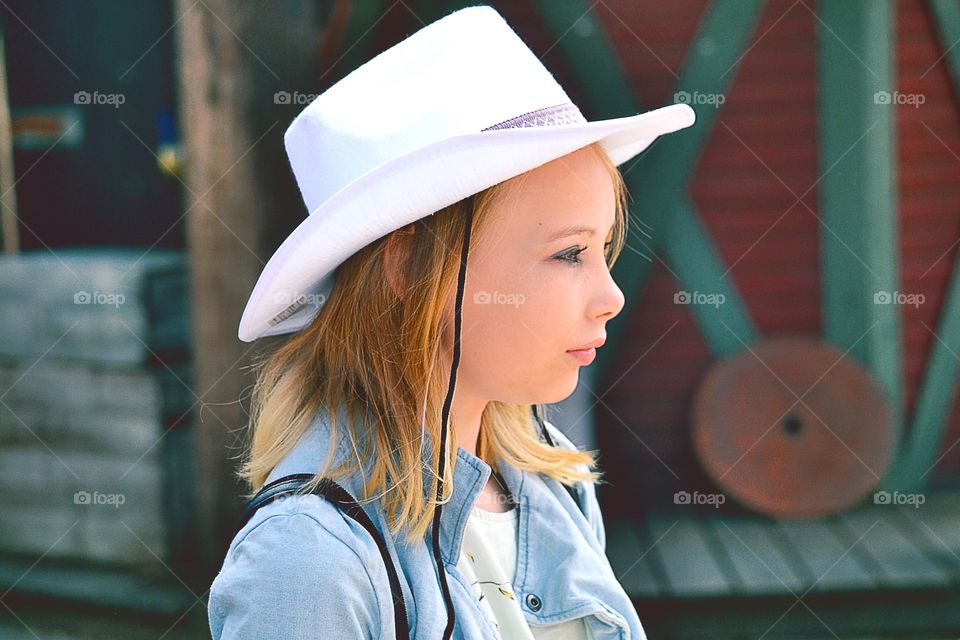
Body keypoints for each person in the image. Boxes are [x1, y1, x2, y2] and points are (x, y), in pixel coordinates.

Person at [208, 5, 695, 639]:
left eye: (604, 251)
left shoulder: (554, 482)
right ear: (408, 267)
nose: (611, 297)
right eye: (568, 253)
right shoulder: (310, 564)